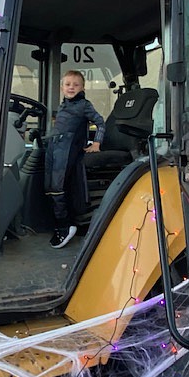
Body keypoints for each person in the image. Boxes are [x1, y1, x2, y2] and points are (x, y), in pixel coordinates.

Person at [45, 70, 105, 248]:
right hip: (55, 148)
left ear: (82, 87)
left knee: (57, 187)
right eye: (68, 84)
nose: (71, 87)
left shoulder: (84, 105)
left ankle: (66, 226)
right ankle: (57, 224)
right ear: (62, 87)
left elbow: (100, 122)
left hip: (68, 149)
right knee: (49, 186)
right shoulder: (63, 105)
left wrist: (96, 143)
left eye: (76, 85)